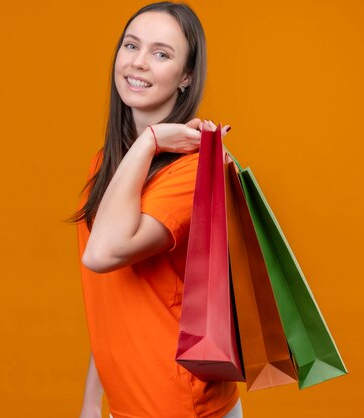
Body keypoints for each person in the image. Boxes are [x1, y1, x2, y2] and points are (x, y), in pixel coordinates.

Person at [69, 2, 241, 417]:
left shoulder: (193, 172)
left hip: (177, 405)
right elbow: (117, 300)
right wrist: (93, 401)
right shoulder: (110, 163)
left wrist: (149, 141)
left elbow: (102, 255)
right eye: (131, 45)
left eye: (161, 53)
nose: (139, 62)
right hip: (129, 402)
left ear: (186, 77)